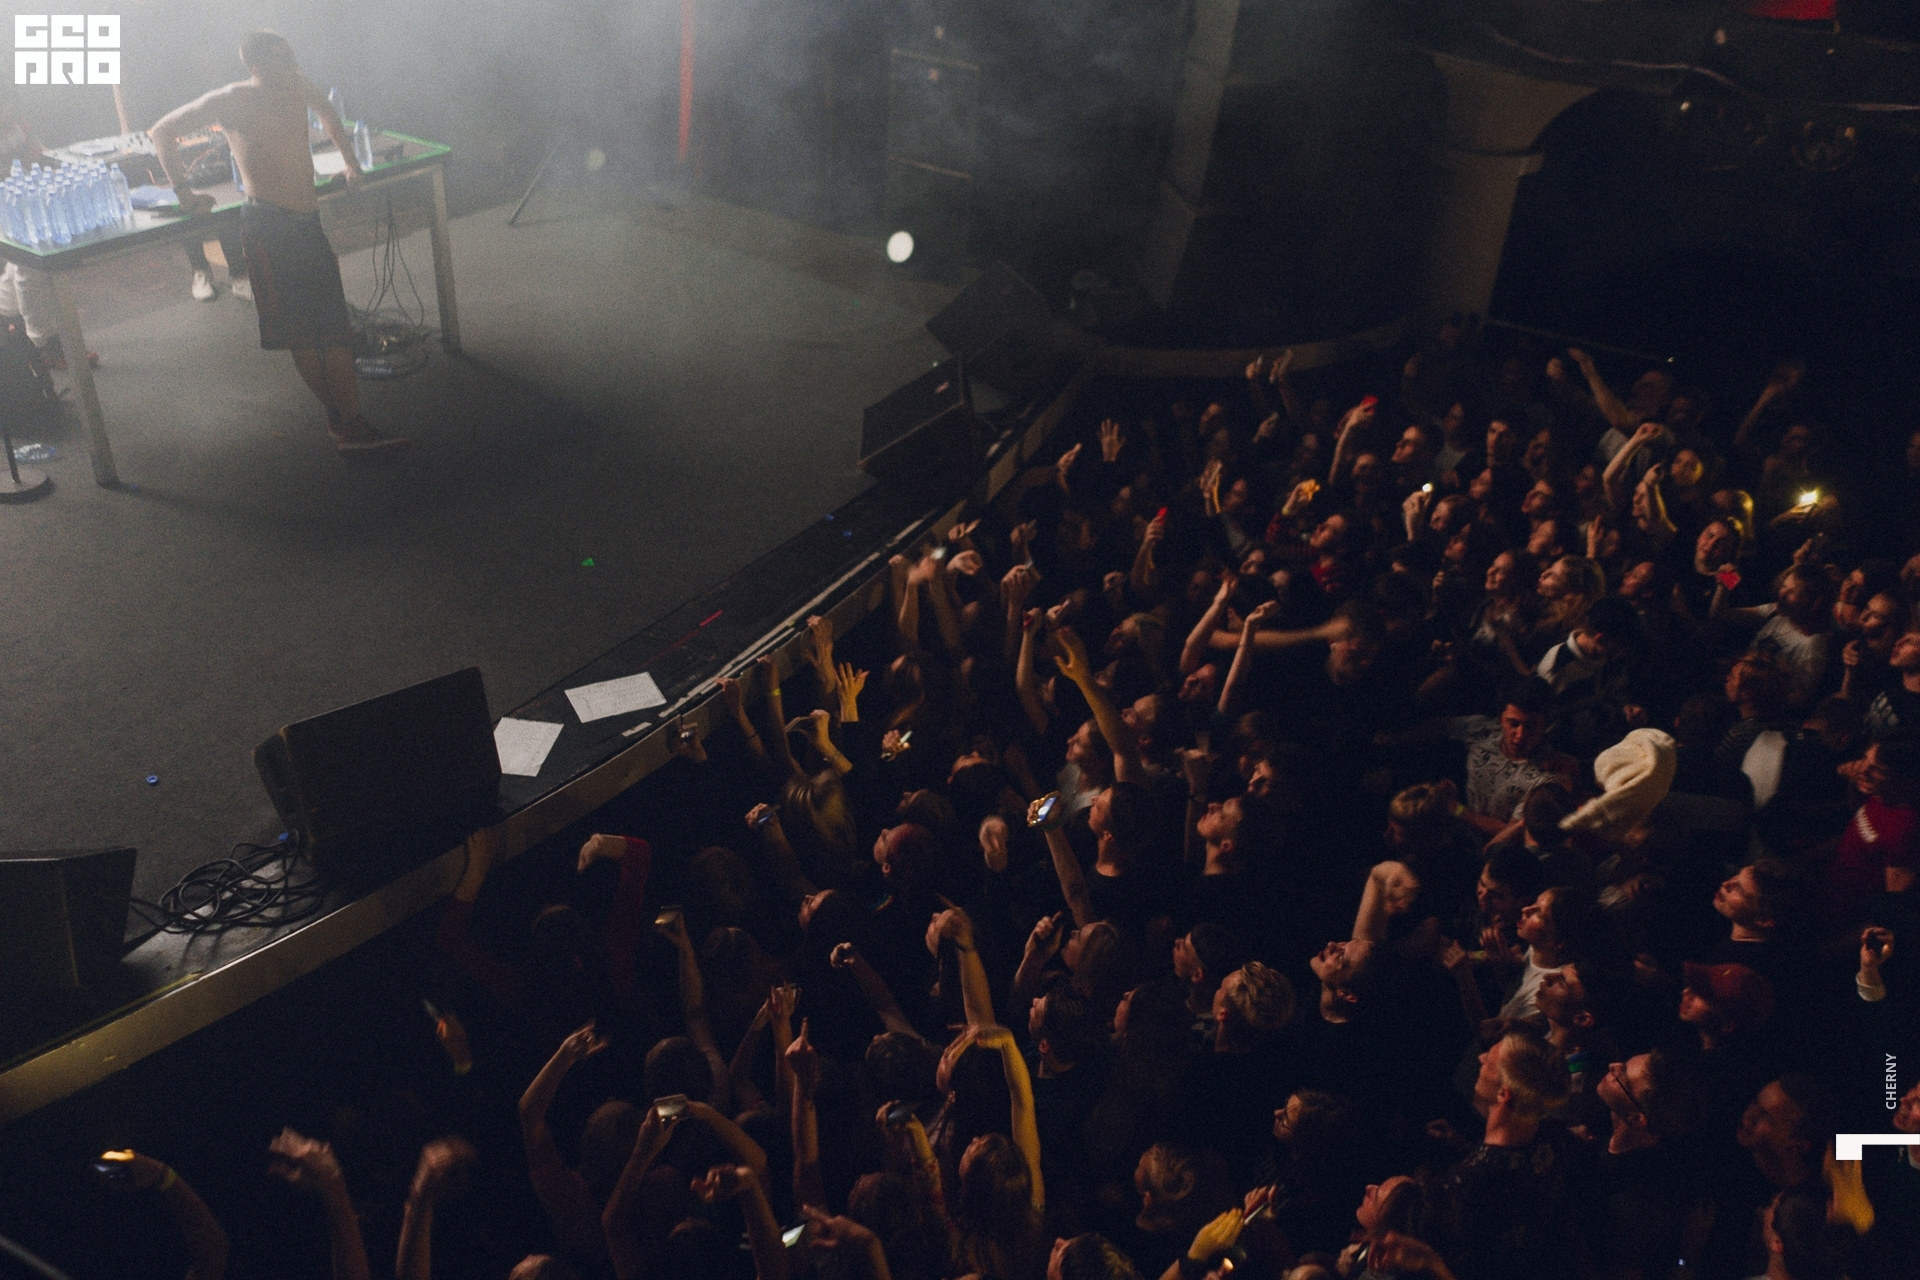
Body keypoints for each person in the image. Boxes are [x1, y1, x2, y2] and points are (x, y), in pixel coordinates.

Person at [148, 30, 406, 454]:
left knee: (333, 329)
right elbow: (161, 132)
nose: (292, 66)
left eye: (291, 57)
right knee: (302, 335)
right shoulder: (231, 99)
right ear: (257, 67)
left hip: (307, 224)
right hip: (269, 226)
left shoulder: (299, 84)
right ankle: (347, 423)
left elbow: (329, 114)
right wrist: (184, 193)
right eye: (281, 60)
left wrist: (351, 163)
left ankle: (348, 422)